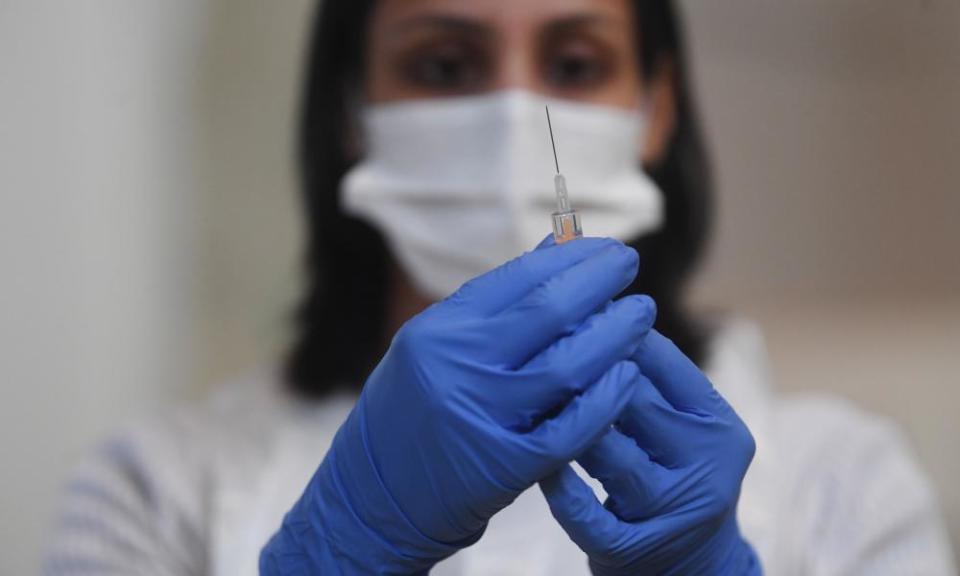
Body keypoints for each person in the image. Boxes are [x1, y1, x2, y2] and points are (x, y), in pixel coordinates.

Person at [43, 1, 956, 574]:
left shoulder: (844, 484)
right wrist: (335, 552)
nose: (519, 119)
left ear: (657, 108)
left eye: (575, 65)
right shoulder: (156, 489)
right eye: (444, 66)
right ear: (352, 111)